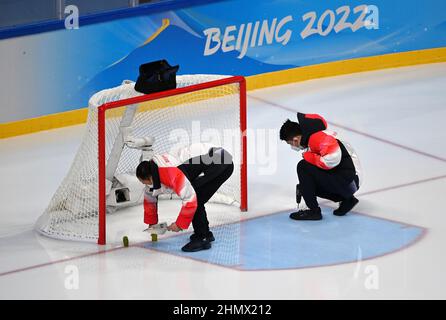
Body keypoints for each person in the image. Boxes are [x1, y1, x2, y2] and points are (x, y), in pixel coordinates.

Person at [136, 143, 234, 252]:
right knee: (196, 194)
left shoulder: (169, 173)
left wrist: (179, 224)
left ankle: (202, 238)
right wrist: (152, 223)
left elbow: (190, 200)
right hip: (216, 158)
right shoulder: (154, 172)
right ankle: (205, 233)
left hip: (221, 161)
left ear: (150, 177)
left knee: (196, 196)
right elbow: (150, 199)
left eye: (144, 182)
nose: (145, 185)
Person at [279, 113, 362, 220]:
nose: (292, 146)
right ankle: (348, 199)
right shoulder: (315, 137)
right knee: (306, 186)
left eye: (290, 143)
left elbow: (331, 160)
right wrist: (304, 188)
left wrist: (310, 157)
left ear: (295, 139)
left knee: (302, 166)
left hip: (350, 180)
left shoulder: (318, 138)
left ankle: (314, 211)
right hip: (350, 182)